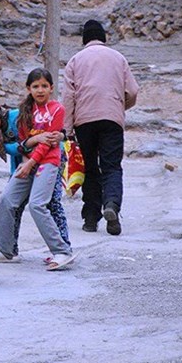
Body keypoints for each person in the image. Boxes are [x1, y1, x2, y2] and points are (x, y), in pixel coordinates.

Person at [0, 68, 76, 271]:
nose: (40, 90)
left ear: (51, 88)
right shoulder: (24, 112)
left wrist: (30, 163)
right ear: (29, 88)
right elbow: (24, 142)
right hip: (28, 160)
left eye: (44, 86)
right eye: (36, 86)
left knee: (38, 204)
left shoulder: (57, 109)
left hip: (48, 162)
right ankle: (6, 251)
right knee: (7, 199)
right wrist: (26, 160)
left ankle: (62, 251)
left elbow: (48, 142)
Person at [62, 19, 139, 236]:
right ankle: (111, 205)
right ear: (103, 38)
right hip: (112, 120)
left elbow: (69, 97)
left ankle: (90, 218)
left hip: (84, 121)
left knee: (89, 168)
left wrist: (67, 130)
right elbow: (132, 91)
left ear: (84, 39)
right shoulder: (118, 58)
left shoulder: (75, 60)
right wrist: (120, 107)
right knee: (112, 166)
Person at [0, 100, 70, 262]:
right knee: (10, 203)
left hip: (50, 158)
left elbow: (47, 133)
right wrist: (31, 142)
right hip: (24, 165)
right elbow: (13, 150)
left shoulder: (19, 116)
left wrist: (51, 137)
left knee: (50, 202)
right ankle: (8, 249)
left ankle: (63, 249)